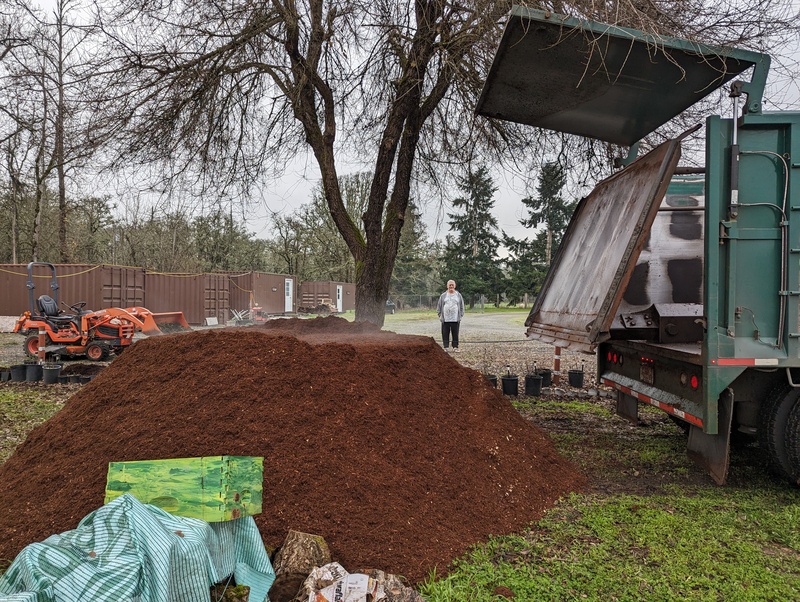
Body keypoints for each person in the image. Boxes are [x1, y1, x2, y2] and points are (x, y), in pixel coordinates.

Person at [437, 279, 465, 352]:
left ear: (455, 286)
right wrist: (440, 316)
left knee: (455, 333)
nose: (451, 286)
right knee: (445, 333)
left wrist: (460, 315)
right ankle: (446, 347)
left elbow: (462, 306)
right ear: (447, 286)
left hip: (455, 318)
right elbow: (439, 307)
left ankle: (455, 347)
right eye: (450, 285)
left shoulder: (458, 295)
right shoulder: (443, 296)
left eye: (452, 285)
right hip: (445, 319)